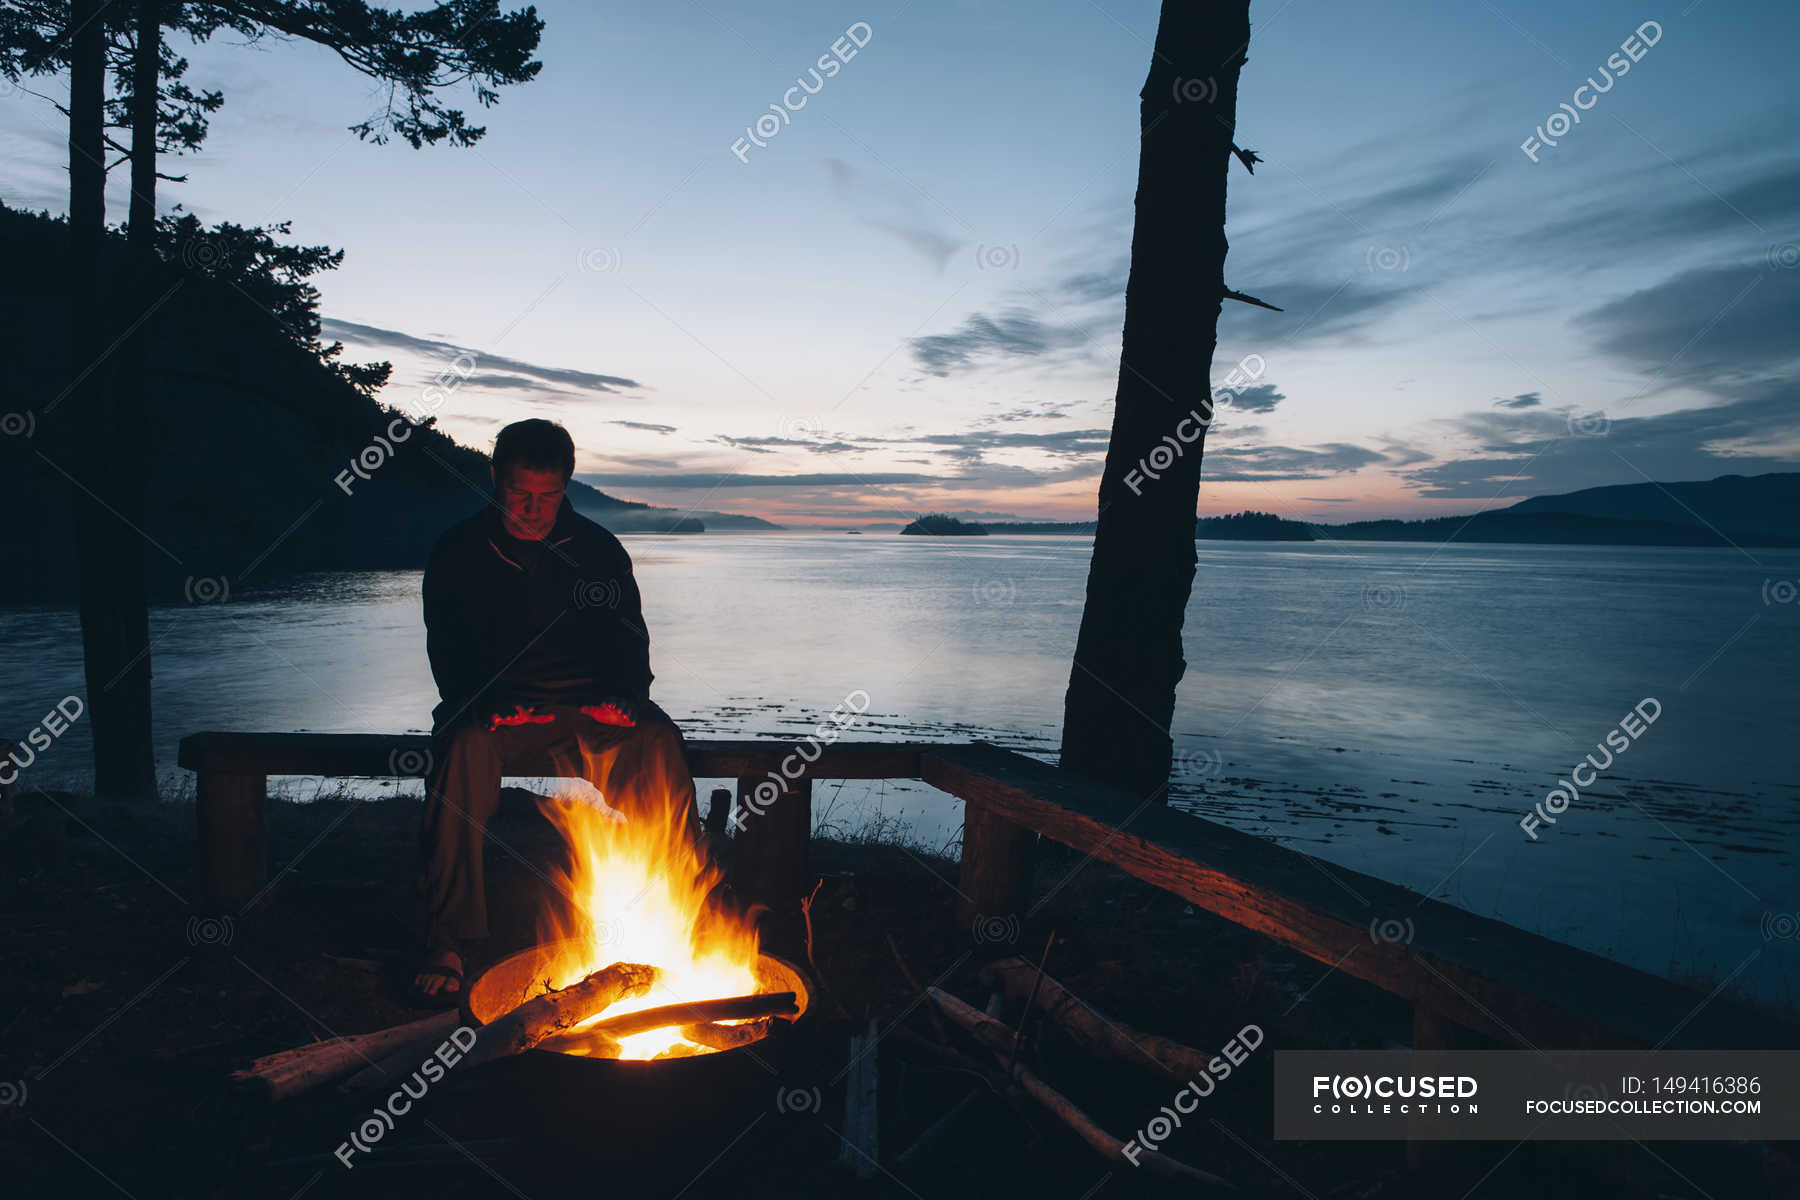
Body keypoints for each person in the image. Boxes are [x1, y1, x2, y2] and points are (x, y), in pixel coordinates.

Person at [410, 418, 699, 1005]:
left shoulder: (598, 550)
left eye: (548, 496)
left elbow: (630, 642)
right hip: (495, 713)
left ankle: (682, 911)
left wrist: (625, 698)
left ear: (566, 485)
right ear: (496, 478)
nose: (533, 509)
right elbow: (446, 649)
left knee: (659, 745)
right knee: (462, 750)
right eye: (520, 494)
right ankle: (451, 937)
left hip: (588, 712)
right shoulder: (459, 552)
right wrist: (486, 704)